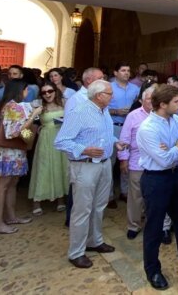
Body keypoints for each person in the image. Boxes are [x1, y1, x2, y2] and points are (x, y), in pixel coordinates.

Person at [54, 80, 128, 269]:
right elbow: (61, 141)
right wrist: (84, 149)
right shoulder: (79, 112)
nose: (113, 96)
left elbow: (103, 134)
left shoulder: (103, 112)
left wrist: (115, 142)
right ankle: (76, 252)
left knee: (99, 206)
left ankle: (95, 241)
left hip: (103, 165)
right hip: (84, 166)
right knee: (82, 209)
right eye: (110, 93)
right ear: (99, 96)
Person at [137, 84, 178, 290]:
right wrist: (176, 146)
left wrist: (175, 148)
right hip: (155, 180)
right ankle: (152, 270)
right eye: (176, 102)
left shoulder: (177, 120)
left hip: (175, 177)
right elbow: (163, 160)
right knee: (154, 227)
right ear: (162, 104)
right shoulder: (148, 128)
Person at [0, 80, 41, 234]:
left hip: (15, 151)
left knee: (11, 185)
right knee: (2, 186)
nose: (27, 92)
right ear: (21, 90)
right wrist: (33, 117)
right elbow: (14, 131)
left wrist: (28, 138)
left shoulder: (13, 105)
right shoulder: (12, 106)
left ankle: (10, 216)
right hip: (8, 152)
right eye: (26, 89)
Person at [119, 83, 155, 239]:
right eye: (149, 99)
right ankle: (133, 225)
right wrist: (123, 160)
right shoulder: (133, 116)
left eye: (155, 99)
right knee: (136, 196)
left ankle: (153, 225)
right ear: (141, 100)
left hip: (157, 164)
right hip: (137, 162)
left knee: (154, 197)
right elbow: (124, 139)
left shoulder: (162, 115)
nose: (152, 102)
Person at [28, 82, 68, 215]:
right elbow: (30, 125)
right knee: (43, 167)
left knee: (60, 166)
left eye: (50, 91)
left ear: (55, 91)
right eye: (44, 92)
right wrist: (29, 139)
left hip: (61, 138)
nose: (47, 94)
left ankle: (60, 199)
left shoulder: (64, 103)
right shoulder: (39, 107)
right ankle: (37, 200)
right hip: (45, 140)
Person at [109, 62, 140, 204]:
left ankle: (125, 191)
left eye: (128, 70)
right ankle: (109, 195)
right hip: (114, 126)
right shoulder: (109, 88)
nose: (126, 73)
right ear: (115, 73)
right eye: (123, 70)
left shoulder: (135, 89)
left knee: (127, 159)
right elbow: (101, 108)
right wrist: (116, 111)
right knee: (110, 161)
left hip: (131, 128)